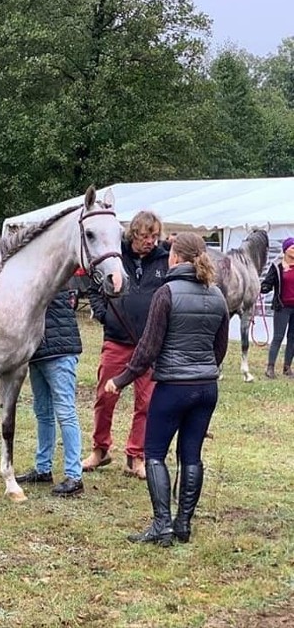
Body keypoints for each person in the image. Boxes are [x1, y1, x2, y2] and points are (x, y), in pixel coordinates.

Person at [104, 233, 229, 546]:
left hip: (173, 387)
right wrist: (204, 370)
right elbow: (220, 346)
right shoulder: (217, 295)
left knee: (156, 454)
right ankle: (183, 523)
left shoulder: (167, 292)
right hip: (206, 388)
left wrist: (120, 380)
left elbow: (147, 349)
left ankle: (162, 524)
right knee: (191, 456)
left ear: (176, 257)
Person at [83, 211, 170, 480]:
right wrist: (102, 314)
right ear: (134, 234)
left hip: (148, 345)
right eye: (145, 236)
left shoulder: (164, 260)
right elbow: (93, 283)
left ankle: (136, 456)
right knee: (105, 396)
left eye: (155, 236)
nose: (151, 242)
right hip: (117, 339)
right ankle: (100, 449)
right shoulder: (114, 255)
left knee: (146, 402)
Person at [16, 290, 85, 497]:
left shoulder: (51, 277)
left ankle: (74, 476)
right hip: (38, 353)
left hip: (59, 353)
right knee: (43, 412)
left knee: (65, 413)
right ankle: (43, 468)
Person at [261, 236, 294, 379]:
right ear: (286, 250)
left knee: (293, 338)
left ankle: (287, 368)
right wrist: (263, 287)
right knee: (278, 337)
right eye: (293, 247)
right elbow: (267, 284)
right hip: (282, 307)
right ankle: (270, 368)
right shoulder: (277, 266)